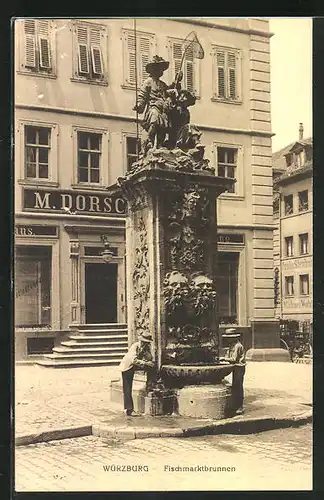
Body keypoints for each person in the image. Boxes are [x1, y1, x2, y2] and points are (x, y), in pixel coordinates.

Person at [133, 55, 179, 151]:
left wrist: (176, 82)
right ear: (153, 70)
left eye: (161, 69)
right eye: (158, 68)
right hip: (153, 107)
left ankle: (159, 145)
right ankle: (150, 140)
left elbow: (168, 91)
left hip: (163, 109)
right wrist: (139, 105)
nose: (160, 71)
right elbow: (142, 95)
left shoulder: (162, 84)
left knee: (163, 127)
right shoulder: (148, 82)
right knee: (154, 121)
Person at [119, 332, 155, 416]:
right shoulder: (134, 346)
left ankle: (150, 386)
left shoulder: (146, 347)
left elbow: (149, 358)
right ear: (141, 341)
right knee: (127, 388)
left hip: (135, 365)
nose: (146, 344)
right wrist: (145, 363)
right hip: (127, 367)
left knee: (151, 368)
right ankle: (129, 409)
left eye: (147, 343)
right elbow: (133, 360)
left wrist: (149, 360)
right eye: (145, 342)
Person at [222, 328, 246, 415]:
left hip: (239, 367)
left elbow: (233, 359)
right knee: (235, 386)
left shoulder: (237, 346)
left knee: (238, 386)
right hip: (235, 367)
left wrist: (223, 358)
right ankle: (236, 405)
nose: (228, 339)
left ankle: (240, 406)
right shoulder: (232, 345)